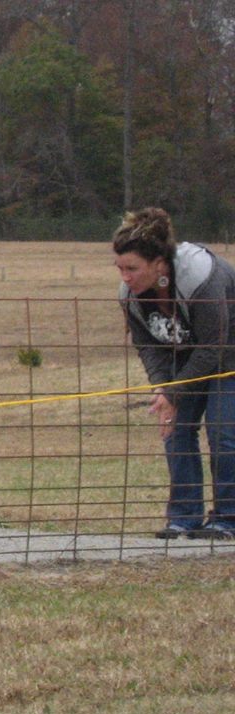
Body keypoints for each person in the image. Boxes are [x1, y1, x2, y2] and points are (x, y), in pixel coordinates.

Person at [114, 207, 235, 539]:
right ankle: (184, 516)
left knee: (224, 433)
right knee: (175, 430)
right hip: (188, 359)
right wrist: (162, 389)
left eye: (132, 268)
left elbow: (215, 345)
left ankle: (228, 519)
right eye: (120, 268)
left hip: (229, 355)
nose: (125, 277)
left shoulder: (201, 277)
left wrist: (173, 391)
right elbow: (148, 346)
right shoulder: (130, 296)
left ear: (159, 264)